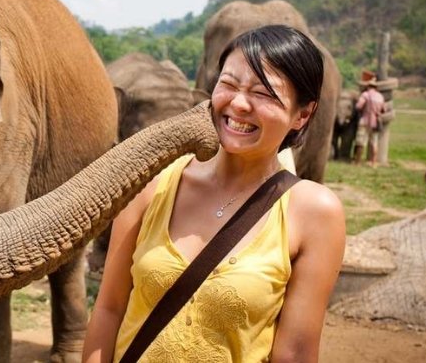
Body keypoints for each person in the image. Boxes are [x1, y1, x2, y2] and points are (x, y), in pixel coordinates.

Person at [82, 25, 346, 362]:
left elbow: (296, 351)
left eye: (263, 93)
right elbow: (108, 309)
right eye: (229, 84)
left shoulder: (313, 213)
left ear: (303, 114)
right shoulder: (152, 184)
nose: (238, 103)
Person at [353, 80, 386, 167]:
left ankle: (358, 162)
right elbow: (384, 110)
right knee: (374, 143)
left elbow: (358, 106)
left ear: (368, 86)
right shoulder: (380, 96)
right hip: (375, 123)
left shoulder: (365, 94)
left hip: (364, 121)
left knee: (361, 142)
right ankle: (373, 163)